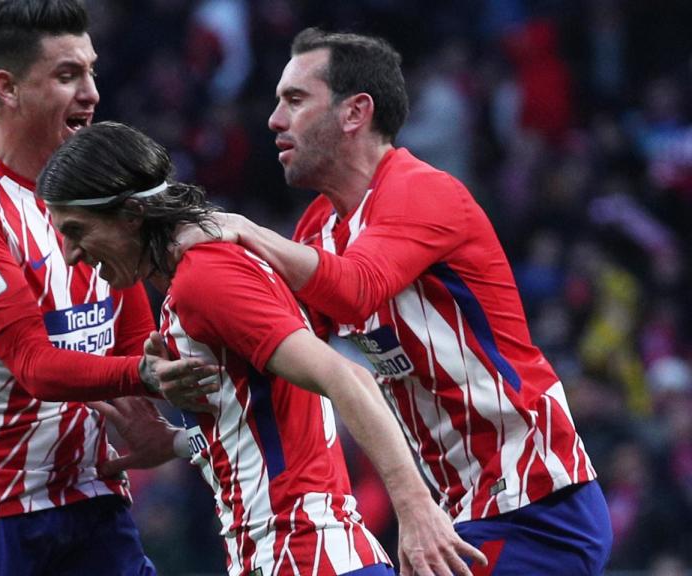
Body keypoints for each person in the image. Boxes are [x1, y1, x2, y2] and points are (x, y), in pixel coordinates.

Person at [176, 28, 613, 575]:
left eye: (295, 99)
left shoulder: (422, 191)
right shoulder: (320, 227)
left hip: (536, 502)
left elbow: (356, 288)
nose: (274, 119)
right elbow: (281, 341)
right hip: (459, 512)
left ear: (355, 112)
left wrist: (247, 231)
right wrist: (164, 373)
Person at [37, 121, 486, 576]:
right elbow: (269, 419)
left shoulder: (206, 279)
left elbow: (347, 377)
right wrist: (175, 442)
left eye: (77, 230)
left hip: (304, 558)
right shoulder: (196, 276)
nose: (72, 253)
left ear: (131, 214)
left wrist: (415, 509)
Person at [0, 2, 213, 574]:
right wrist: (145, 376)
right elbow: (34, 365)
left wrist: (164, 417)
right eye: (68, 75)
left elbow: (134, 337)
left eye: (91, 71)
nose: (92, 91)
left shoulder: (96, 185)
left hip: (91, 492)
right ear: (8, 87)